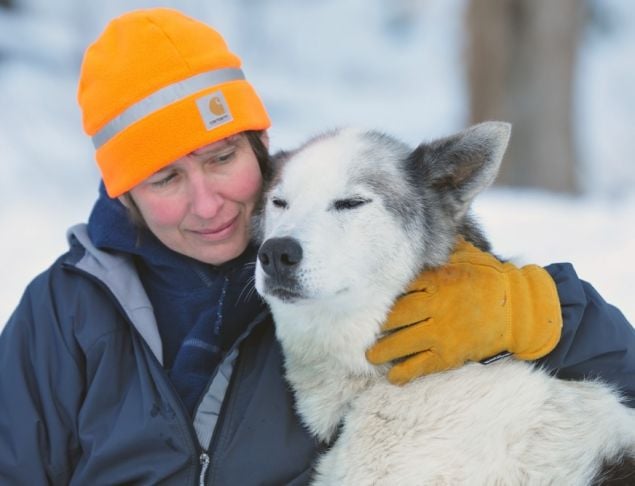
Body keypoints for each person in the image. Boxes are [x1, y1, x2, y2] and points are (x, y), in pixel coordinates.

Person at [0, 8, 633, 485]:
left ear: (260, 149)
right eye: (165, 178)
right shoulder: (63, 313)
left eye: (222, 158)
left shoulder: (341, 276)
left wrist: (543, 309)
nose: (208, 203)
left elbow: (616, 374)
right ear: (123, 196)